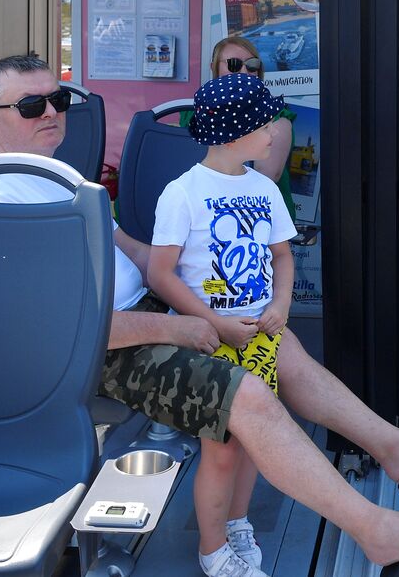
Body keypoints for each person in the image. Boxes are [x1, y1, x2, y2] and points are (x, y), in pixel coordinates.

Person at [0, 55, 399, 577]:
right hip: (98, 347)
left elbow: (139, 256)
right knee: (249, 396)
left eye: (59, 99)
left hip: (142, 316)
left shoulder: (55, 179)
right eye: (32, 105)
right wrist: (180, 324)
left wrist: (203, 291)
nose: (51, 112)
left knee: (280, 349)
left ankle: (397, 450)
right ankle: (375, 533)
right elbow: (59, 326)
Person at [148, 73, 295, 577]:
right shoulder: (182, 194)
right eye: (264, 125)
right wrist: (214, 322)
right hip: (211, 342)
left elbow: (281, 256)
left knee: (253, 442)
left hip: (260, 340)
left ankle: (237, 523)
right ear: (235, 133)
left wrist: (282, 304)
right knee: (221, 451)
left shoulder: (264, 190)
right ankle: (213, 551)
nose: (274, 133)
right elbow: (160, 273)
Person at [208, 36, 297, 223]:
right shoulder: (195, 115)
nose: (244, 72)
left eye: (252, 65)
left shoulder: (278, 120)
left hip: (262, 227)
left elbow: (265, 178)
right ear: (214, 68)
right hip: (207, 222)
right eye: (234, 64)